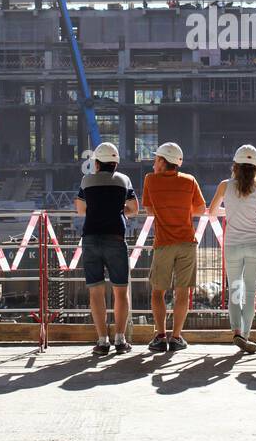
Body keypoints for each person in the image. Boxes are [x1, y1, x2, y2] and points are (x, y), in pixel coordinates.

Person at [207, 144, 256, 354]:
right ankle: (246, 335)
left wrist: (229, 208)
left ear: (235, 166)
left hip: (233, 245)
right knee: (250, 292)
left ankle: (236, 331)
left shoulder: (224, 186)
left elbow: (212, 212)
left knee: (235, 291)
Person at [141, 142, 206, 352]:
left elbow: (150, 209)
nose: (153, 163)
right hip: (187, 243)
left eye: (155, 159)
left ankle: (160, 337)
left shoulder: (150, 180)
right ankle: (176, 337)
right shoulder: (190, 181)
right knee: (183, 293)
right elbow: (201, 208)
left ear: (162, 161)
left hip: (163, 244)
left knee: (158, 292)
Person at [75, 142, 138, 356]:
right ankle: (120, 339)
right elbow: (134, 209)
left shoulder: (86, 180)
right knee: (120, 291)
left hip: (91, 238)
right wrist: (119, 209)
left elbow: (80, 209)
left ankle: (102, 341)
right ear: (116, 162)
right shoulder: (124, 180)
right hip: (115, 238)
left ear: (97, 163)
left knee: (96, 291)